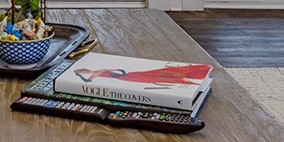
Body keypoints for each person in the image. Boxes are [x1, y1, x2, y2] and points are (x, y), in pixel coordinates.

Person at [73, 62, 212, 86]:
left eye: (83, 70)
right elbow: (89, 80)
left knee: (157, 75)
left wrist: (93, 74)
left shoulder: (98, 72)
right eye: (82, 72)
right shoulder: (96, 74)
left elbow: (116, 70)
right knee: (155, 79)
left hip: (130, 75)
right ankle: (187, 81)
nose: (85, 72)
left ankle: (196, 74)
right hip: (129, 79)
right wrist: (82, 76)